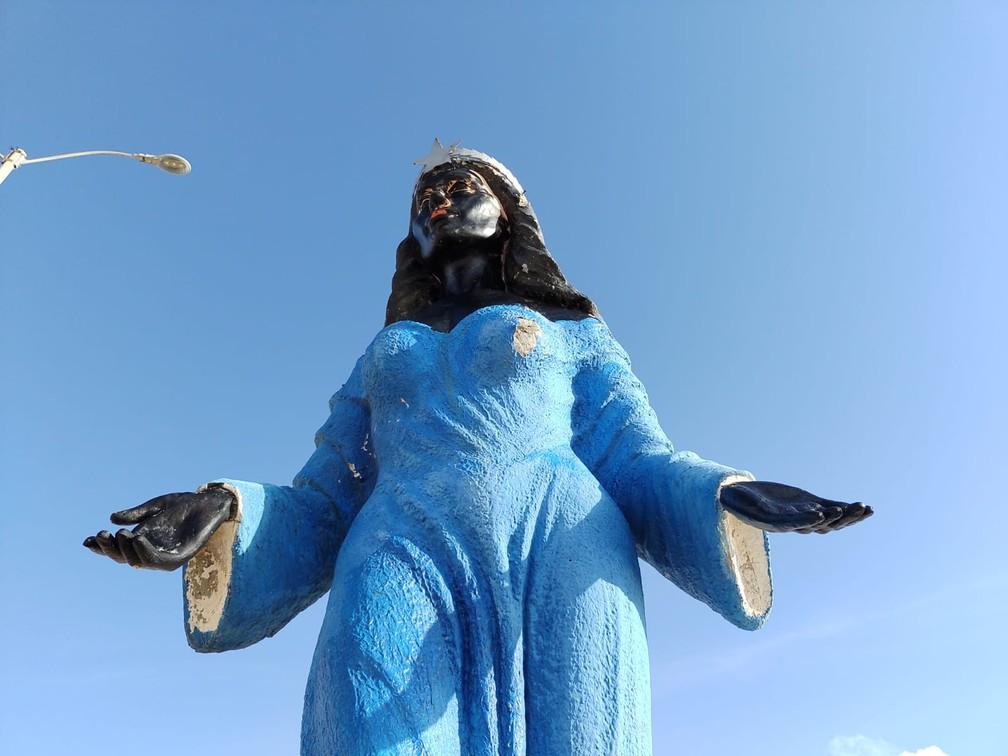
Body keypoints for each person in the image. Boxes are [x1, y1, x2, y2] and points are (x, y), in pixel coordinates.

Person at [85, 142, 871, 755]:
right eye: (425, 196)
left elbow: (634, 455)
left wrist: (728, 493)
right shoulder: (386, 349)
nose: (438, 198)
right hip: (397, 547)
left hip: (561, 545)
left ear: (510, 215)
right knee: (368, 724)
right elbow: (329, 493)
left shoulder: (575, 332)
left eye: (463, 188)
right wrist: (224, 509)